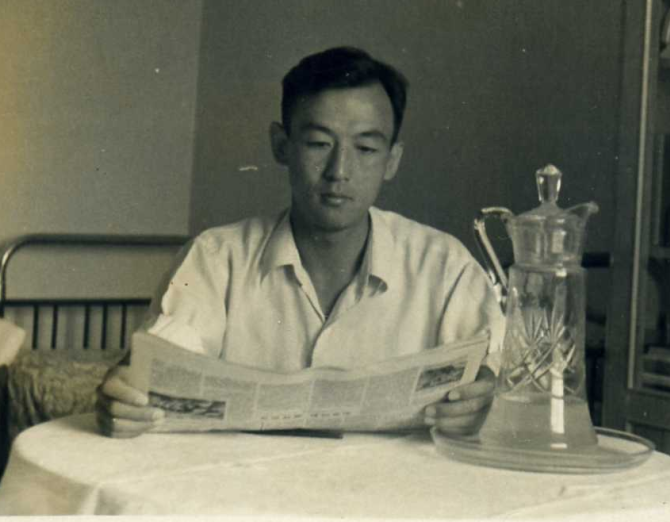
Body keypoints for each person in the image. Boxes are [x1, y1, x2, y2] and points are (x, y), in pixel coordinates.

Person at [96, 46, 505, 438]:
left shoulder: (444, 266)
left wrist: (483, 398)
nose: (339, 171)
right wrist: (126, 396)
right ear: (282, 145)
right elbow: (156, 367)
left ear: (392, 160)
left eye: (365, 148)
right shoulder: (217, 258)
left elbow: (496, 374)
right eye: (318, 144)